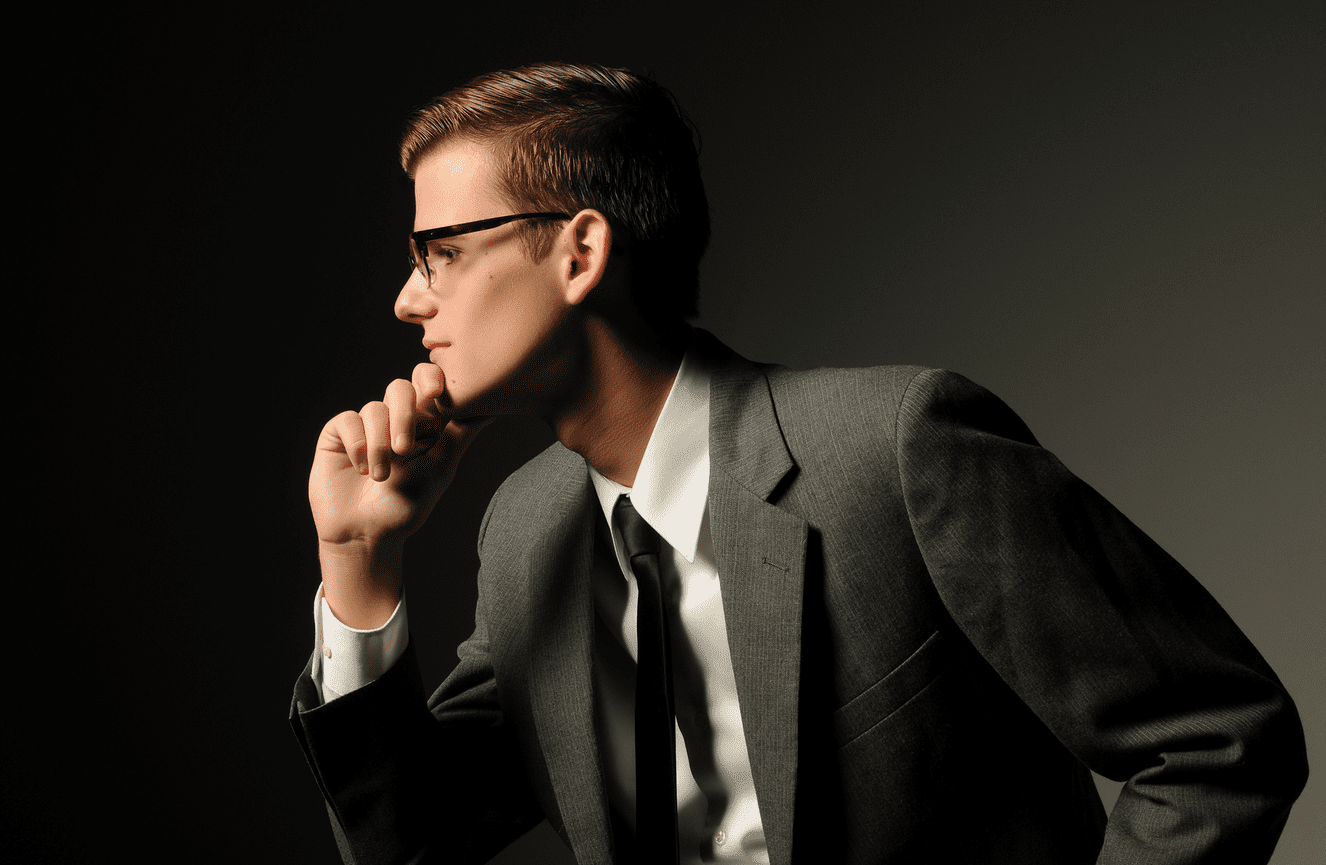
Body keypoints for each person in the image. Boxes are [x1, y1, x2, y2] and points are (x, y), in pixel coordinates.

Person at [290, 62, 1307, 865]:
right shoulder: (525, 533)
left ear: (580, 251)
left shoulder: (895, 449)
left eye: (442, 252)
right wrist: (355, 561)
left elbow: (1217, 739)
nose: (407, 299)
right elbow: (410, 843)